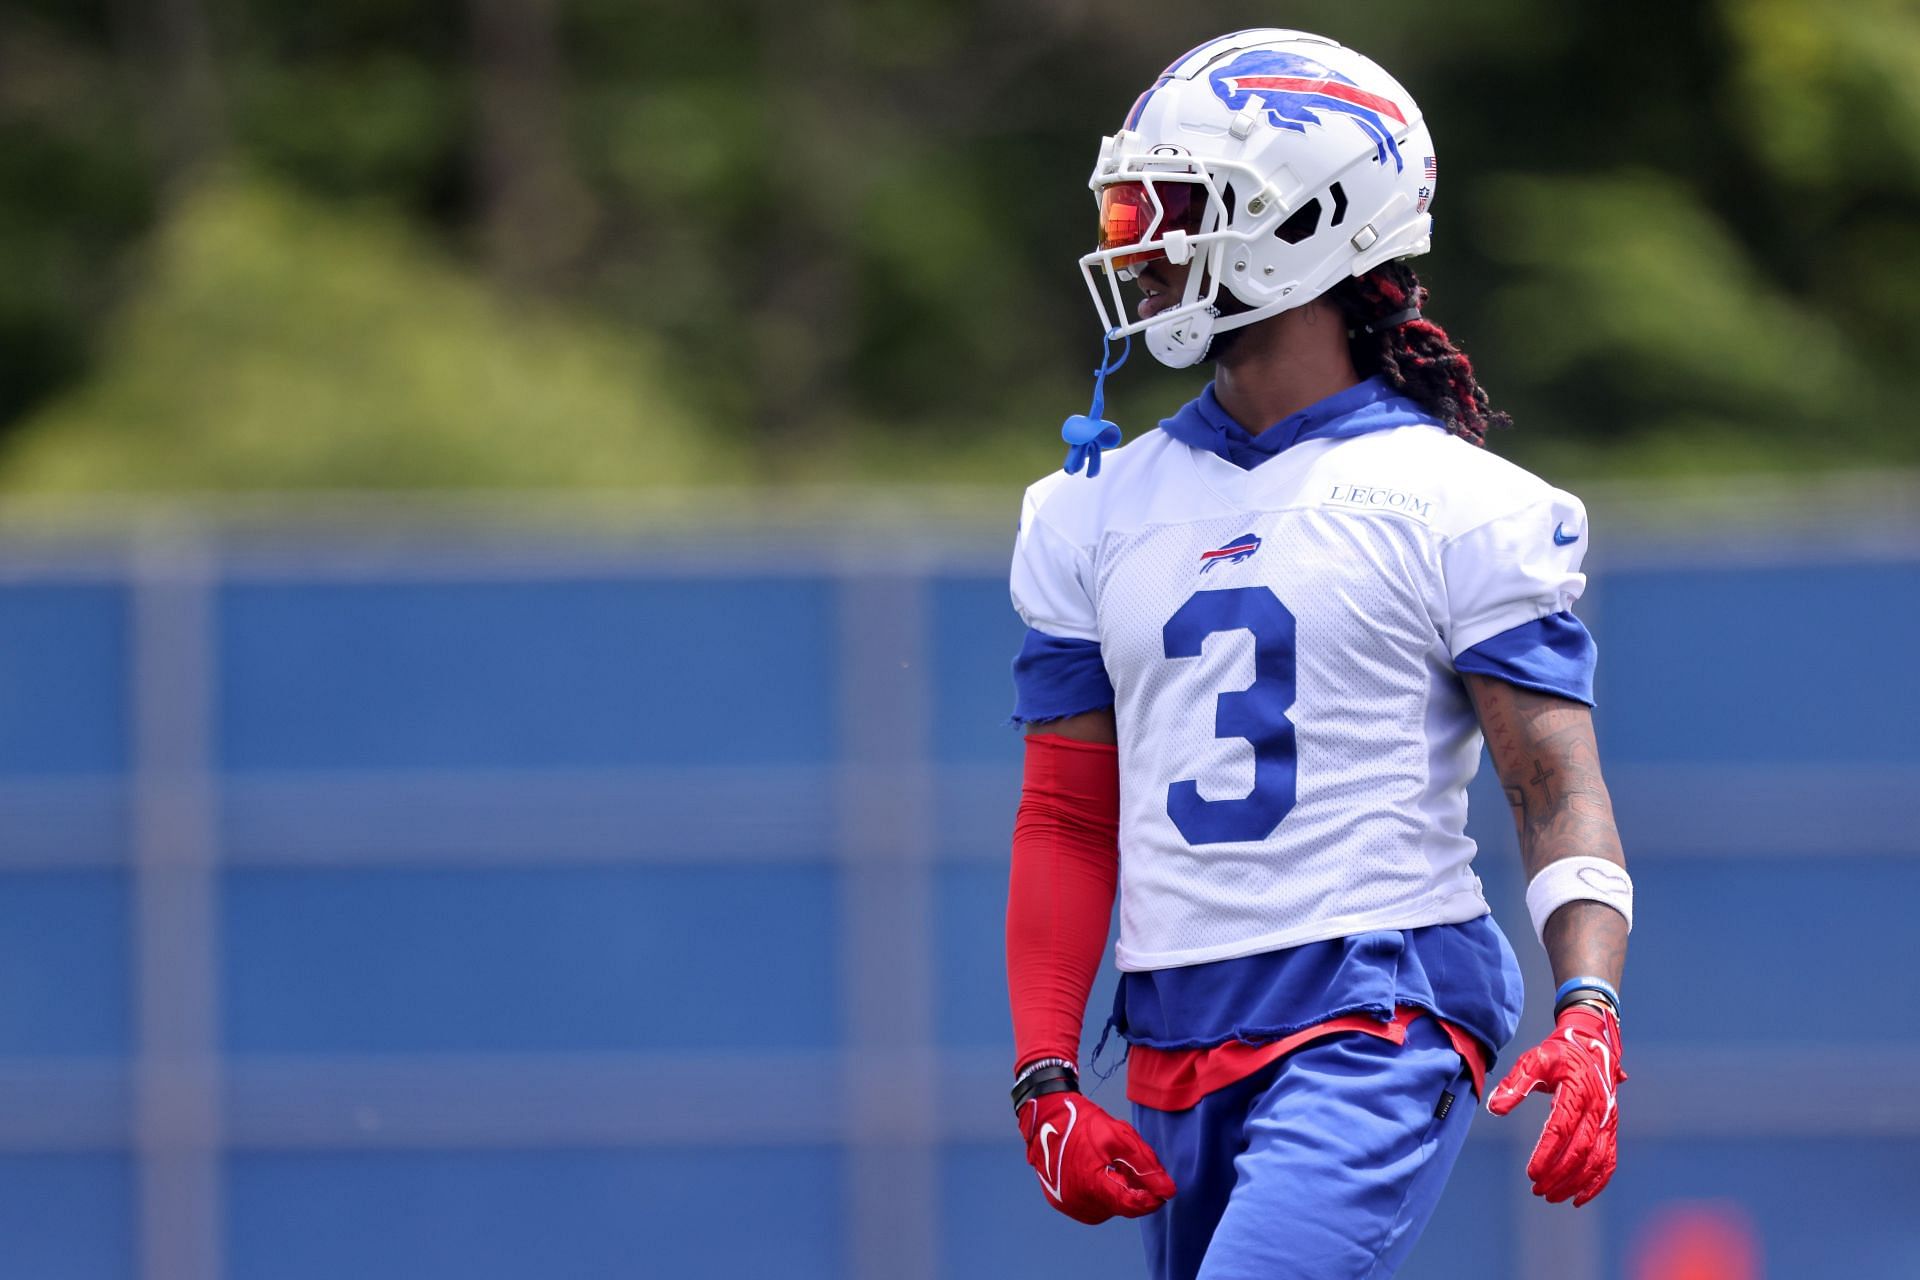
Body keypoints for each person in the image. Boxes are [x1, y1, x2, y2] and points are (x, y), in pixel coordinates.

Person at [1002, 29, 1633, 1280]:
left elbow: (1553, 787)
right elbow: (1069, 819)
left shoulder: (1459, 502)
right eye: (1133, 207)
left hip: (1377, 1000)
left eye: (1180, 206)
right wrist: (1045, 1072)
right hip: (1177, 1024)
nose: (1142, 242)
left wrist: (1590, 1008)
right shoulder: (1087, 508)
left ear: (1313, 221)